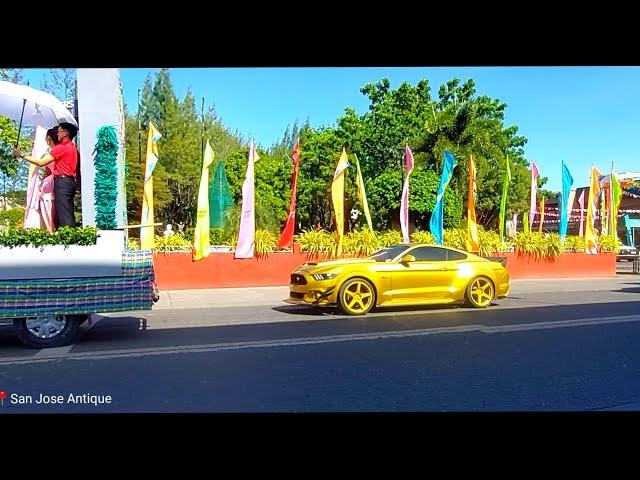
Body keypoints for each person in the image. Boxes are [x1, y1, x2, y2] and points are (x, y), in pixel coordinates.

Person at [13, 122, 79, 228]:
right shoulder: (72, 147)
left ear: (65, 133)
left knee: (64, 213)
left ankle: (68, 237)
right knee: (66, 210)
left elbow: (41, 162)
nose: (57, 134)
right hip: (70, 181)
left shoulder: (61, 148)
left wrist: (21, 154)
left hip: (62, 181)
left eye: (59, 131)